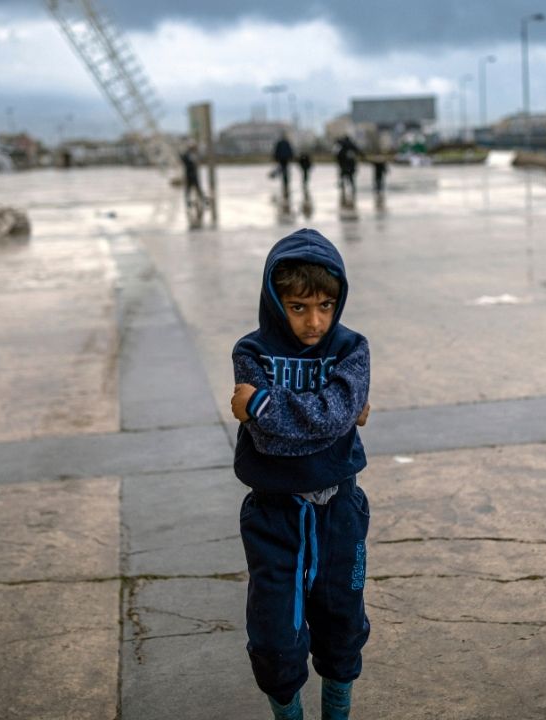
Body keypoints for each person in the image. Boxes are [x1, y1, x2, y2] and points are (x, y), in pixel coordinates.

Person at [230, 228, 372, 720]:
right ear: (275, 301)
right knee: (274, 636)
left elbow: (330, 418)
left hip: (340, 511)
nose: (314, 322)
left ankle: (337, 712)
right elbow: (276, 439)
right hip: (273, 516)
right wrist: (338, 411)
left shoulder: (352, 349)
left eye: (326, 306)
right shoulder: (251, 352)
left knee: (342, 625)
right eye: (298, 307)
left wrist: (263, 405)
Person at [334, 136, 361, 205]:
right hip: (350, 166)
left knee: (343, 177)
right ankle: (352, 189)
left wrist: (340, 163)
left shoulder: (341, 147)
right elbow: (358, 151)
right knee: (351, 178)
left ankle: (344, 190)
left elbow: (337, 156)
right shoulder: (351, 146)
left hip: (344, 166)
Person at [180, 144, 206, 210]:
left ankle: (203, 200)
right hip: (189, 176)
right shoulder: (187, 155)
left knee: (197, 189)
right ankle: (188, 203)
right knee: (189, 190)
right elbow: (183, 160)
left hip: (194, 175)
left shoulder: (194, 155)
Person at [273, 133, 295, 199]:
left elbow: (276, 151)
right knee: (285, 170)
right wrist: (291, 157)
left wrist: (276, 158)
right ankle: (286, 181)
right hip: (286, 158)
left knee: (282, 169)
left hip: (281, 158)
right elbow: (290, 150)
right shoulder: (287, 143)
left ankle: (284, 181)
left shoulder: (279, 143)